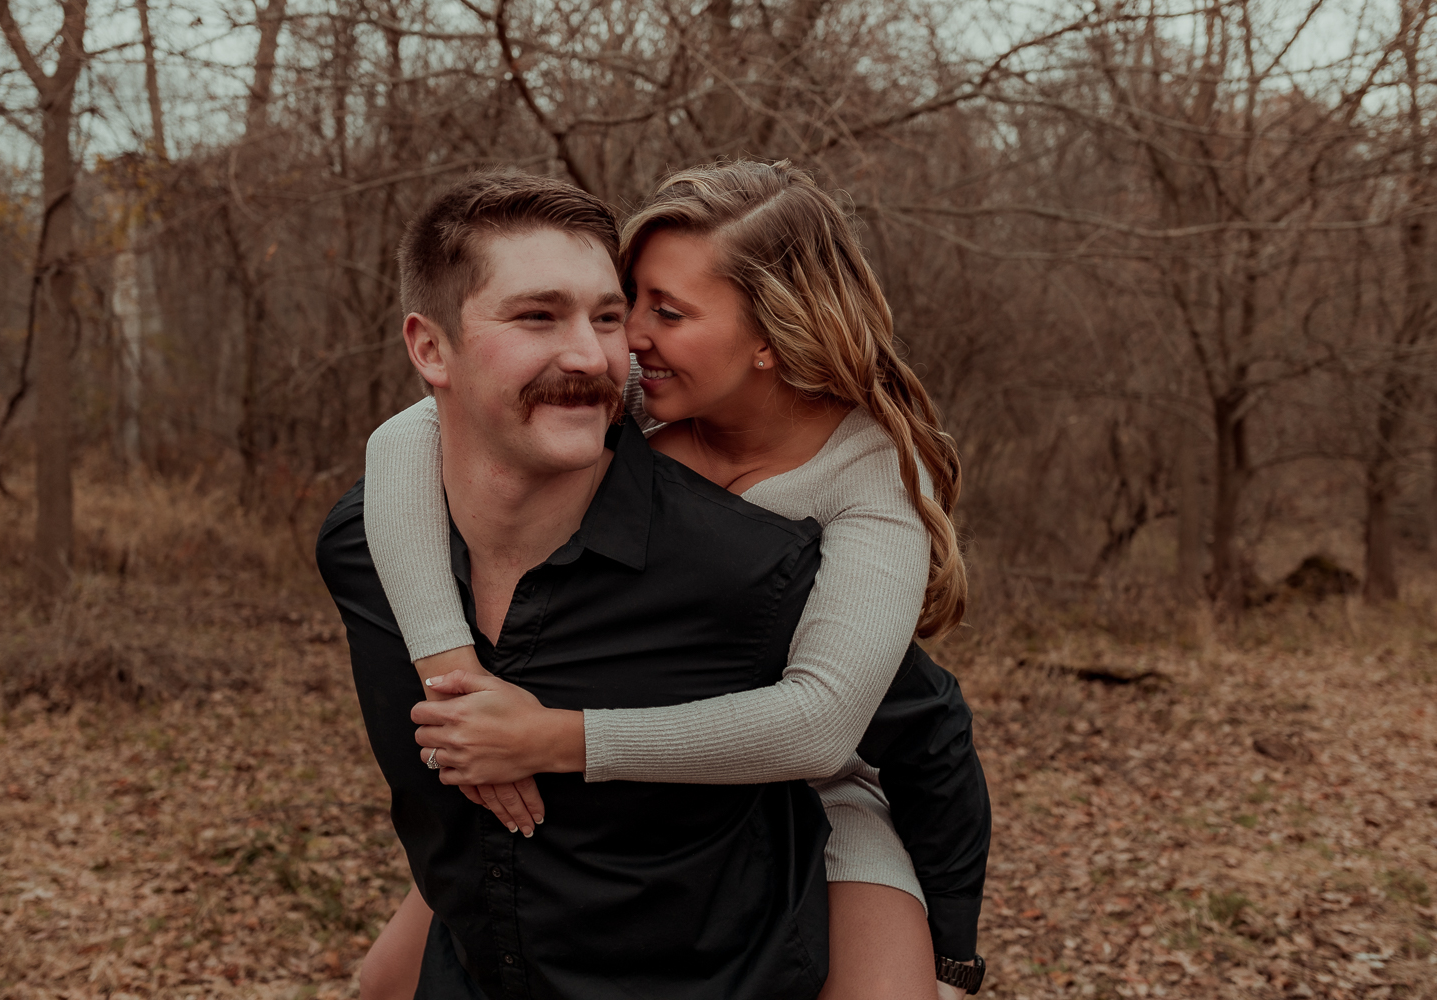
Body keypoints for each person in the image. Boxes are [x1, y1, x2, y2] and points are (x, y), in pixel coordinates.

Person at [351, 161, 989, 1000]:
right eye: (631, 301)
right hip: (565, 778)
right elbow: (402, 439)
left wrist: (555, 738)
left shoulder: (869, 475)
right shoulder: (642, 404)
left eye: (668, 312)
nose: (629, 337)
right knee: (380, 986)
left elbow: (825, 727)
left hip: (803, 792)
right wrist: (460, 689)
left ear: (770, 335)